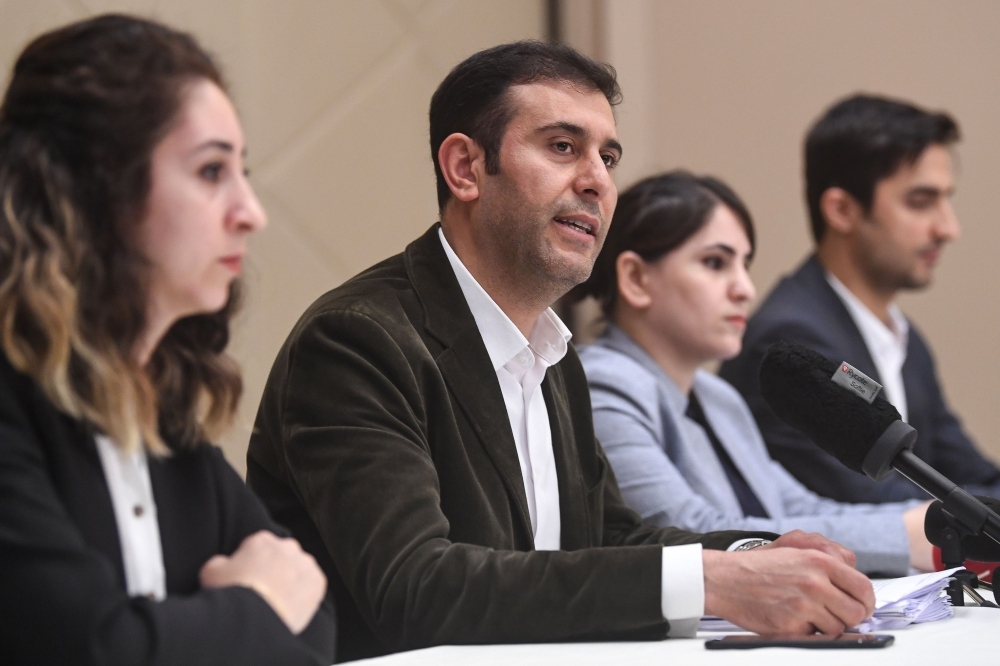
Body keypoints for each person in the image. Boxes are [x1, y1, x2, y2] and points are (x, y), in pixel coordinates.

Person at [248, 41, 875, 662]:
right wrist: (712, 583)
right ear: (465, 168)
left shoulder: (550, 352)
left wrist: (756, 557)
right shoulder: (358, 342)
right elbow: (417, 588)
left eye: (608, 157)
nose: (598, 182)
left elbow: (607, 537)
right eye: (562, 147)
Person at [0, 15, 335, 665]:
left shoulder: (166, 421)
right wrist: (253, 607)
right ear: (98, 191)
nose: (251, 212)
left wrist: (199, 627)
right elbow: (94, 651)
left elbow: (314, 618)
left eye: (242, 171)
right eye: (211, 172)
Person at [575, 171, 932, 576]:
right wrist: (902, 537)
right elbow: (687, 531)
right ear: (636, 279)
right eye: (715, 263)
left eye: (745, 265)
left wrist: (932, 518)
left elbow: (799, 508)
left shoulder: (717, 396)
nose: (745, 287)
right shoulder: (603, 384)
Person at [720, 94, 1000, 504]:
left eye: (946, 199)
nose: (948, 227)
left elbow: (964, 469)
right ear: (842, 210)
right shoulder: (791, 338)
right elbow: (869, 500)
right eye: (921, 202)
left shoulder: (906, 339)